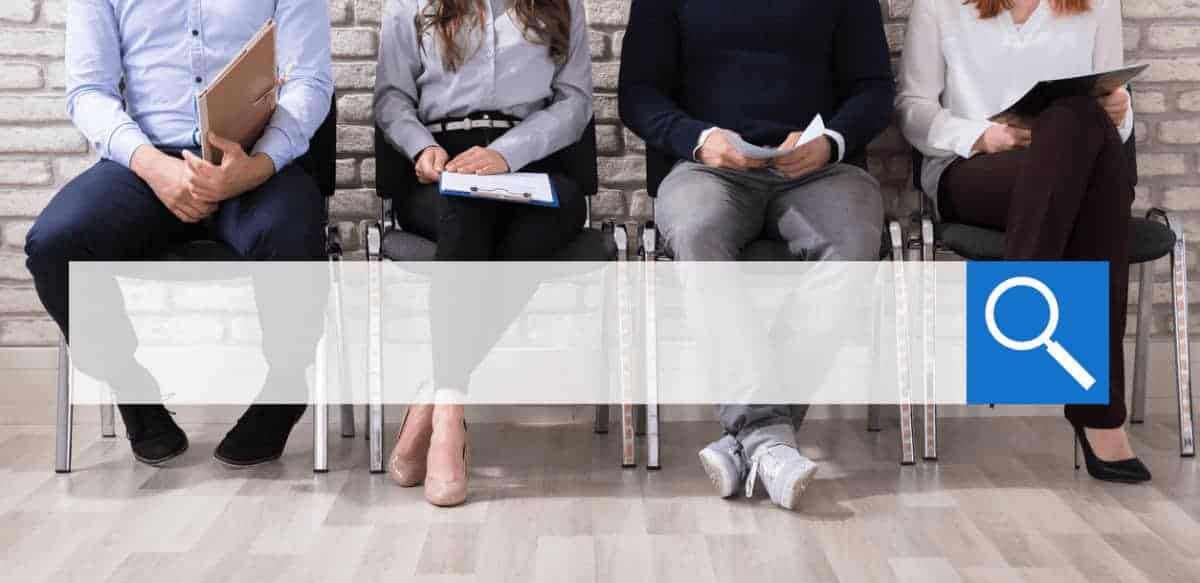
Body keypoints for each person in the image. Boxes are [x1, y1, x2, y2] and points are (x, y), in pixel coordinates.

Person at [25, 0, 334, 468]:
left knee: (292, 233)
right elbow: (89, 90)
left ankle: (285, 388)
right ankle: (129, 385)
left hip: (252, 156)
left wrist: (256, 166)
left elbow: (309, 80)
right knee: (55, 243)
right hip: (147, 162)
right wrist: (153, 167)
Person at [618, 0, 895, 510]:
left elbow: (875, 87)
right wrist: (700, 141)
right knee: (697, 231)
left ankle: (749, 438)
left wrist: (831, 141)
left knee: (855, 239)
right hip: (707, 167)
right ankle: (769, 439)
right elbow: (637, 95)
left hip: (819, 169)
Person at [896, 0, 1148, 482]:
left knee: (1078, 117)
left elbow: (1113, 114)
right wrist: (983, 135)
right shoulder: (939, 6)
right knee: (1093, 175)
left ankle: (1020, 302)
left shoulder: (1097, 4)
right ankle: (1101, 418)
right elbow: (912, 109)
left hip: (1078, 173)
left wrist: (1121, 109)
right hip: (972, 169)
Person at [375, 0, 593, 506]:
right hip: (441, 162)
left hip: (527, 160)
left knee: (554, 217)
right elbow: (390, 98)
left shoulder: (563, 3)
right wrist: (419, 147)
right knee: (464, 215)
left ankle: (433, 397)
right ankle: (452, 418)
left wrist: (506, 154)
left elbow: (575, 101)